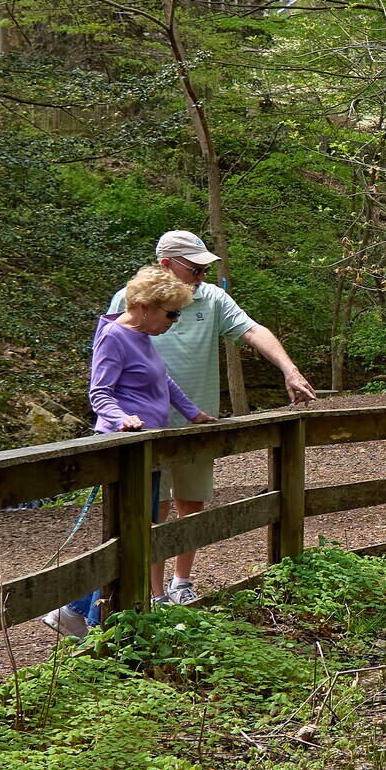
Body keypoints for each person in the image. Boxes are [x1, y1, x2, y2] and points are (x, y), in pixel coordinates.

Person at [107, 229, 317, 604]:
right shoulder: (131, 300)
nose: (201, 277)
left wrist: (289, 369)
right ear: (166, 265)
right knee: (151, 508)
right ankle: (154, 595)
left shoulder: (213, 298)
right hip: (144, 427)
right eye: (194, 269)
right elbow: (109, 362)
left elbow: (252, 331)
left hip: (196, 423)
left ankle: (180, 582)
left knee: (192, 502)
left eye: (205, 270)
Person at [44, 266, 217, 638]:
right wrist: (123, 419)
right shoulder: (114, 337)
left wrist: (194, 414)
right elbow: (99, 392)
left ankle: (77, 613)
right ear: (142, 306)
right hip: (124, 450)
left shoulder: (141, 336)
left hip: (147, 449)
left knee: (136, 533)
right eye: (170, 313)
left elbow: (163, 381)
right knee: (130, 534)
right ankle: (95, 620)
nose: (174, 320)